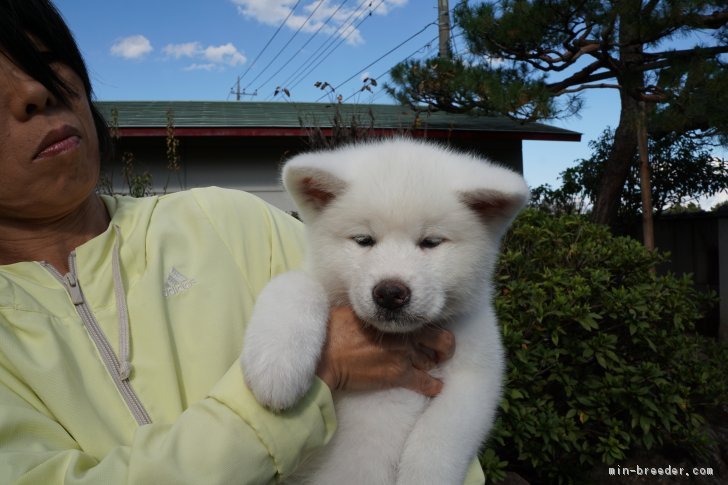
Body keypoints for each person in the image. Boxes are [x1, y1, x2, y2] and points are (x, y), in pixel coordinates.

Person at [0, 0, 458, 483]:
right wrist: (319, 373)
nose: (34, 91)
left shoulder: (225, 220)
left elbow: (431, 378)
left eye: (46, 63)